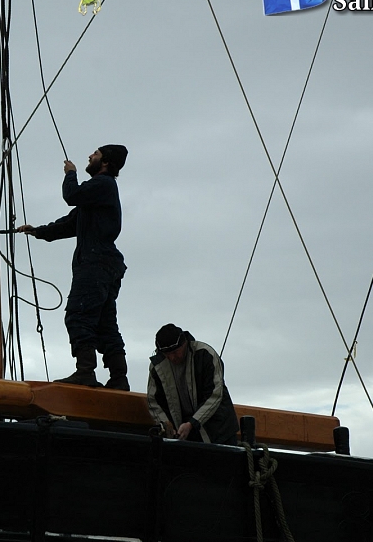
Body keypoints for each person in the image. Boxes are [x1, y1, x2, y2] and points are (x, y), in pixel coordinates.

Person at [16, 145, 129, 390]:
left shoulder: (103, 184)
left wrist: (70, 173)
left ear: (105, 162)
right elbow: (70, 224)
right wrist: (38, 231)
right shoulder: (100, 194)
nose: (90, 156)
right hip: (107, 265)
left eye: (96, 154)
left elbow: (72, 196)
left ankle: (85, 372)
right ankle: (119, 378)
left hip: (95, 263)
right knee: (105, 323)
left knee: (79, 315)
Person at [147, 324, 238, 445]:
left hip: (219, 432)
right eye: (167, 354)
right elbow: (154, 401)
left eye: (175, 352)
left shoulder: (205, 355)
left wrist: (192, 423)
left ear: (184, 344)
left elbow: (214, 395)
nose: (172, 357)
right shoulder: (157, 367)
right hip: (184, 436)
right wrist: (166, 425)